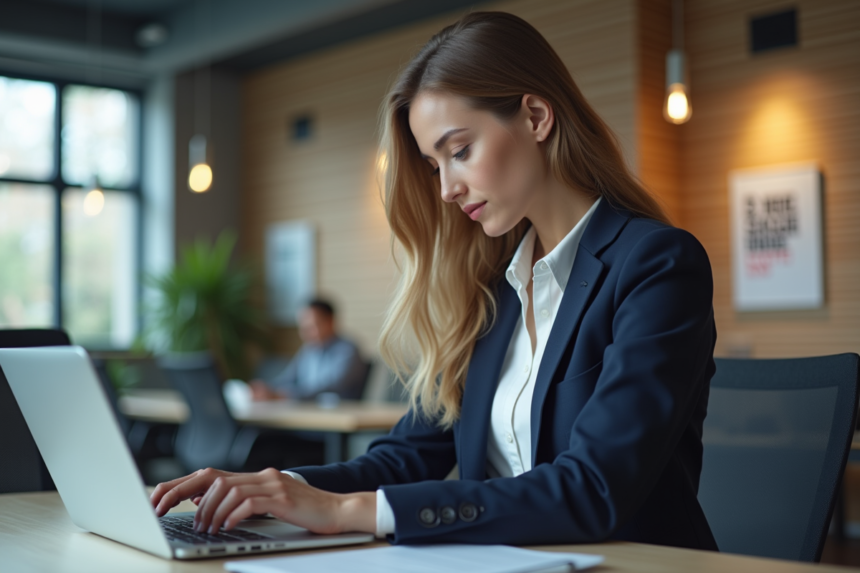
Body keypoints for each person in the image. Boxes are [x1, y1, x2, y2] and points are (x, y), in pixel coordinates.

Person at [151, 12, 718, 550]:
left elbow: (594, 488)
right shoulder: (490, 288)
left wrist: (353, 512)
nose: (446, 188)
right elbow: (404, 457)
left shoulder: (657, 266)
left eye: (460, 151)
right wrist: (269, 487)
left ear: (537, 117)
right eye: (435, 165)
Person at [249, 299, 367, 401]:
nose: (305, 333)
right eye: (302, 327)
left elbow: (329, 386)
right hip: (304, 413)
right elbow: (288, 378)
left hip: (335, 418)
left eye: (311, 327)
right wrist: (267, 388)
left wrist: (286, 394)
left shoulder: (347, 349)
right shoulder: (308, 350)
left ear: (330, 321)